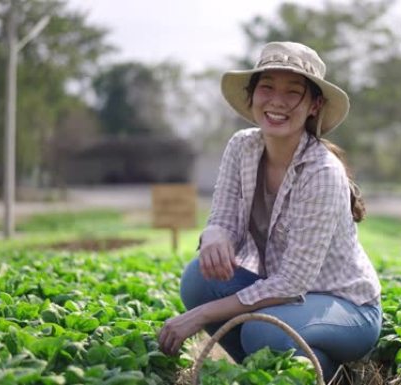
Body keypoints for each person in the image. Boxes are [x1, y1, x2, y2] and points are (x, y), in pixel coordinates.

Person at [158, 41, 381, 381]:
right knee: (198, 280)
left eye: (293, 92)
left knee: (263, 334)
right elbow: (224, 218)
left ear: (314, 105)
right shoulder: (242, 146)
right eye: (267, 87)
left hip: (345, 308)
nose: (277, 101)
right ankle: (271, 373)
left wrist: (201, 315)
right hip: (289, 300)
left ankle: (332, 374)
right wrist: (215, 233)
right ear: (252, 95)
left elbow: (291, 283)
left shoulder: (321, 170)